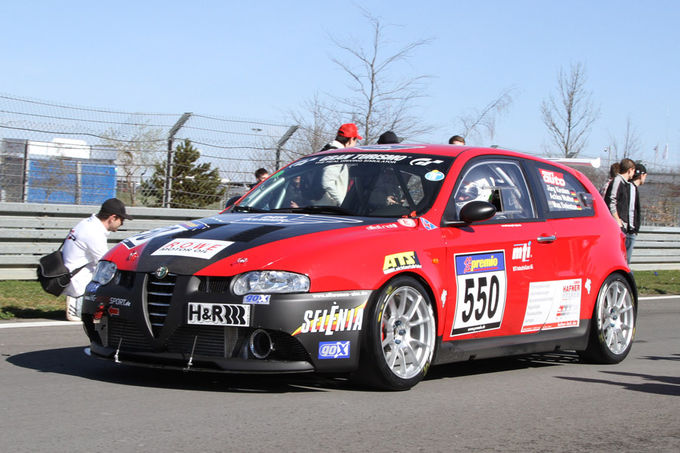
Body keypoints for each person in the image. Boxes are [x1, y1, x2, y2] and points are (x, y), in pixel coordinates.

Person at [62, 198, 132, 321]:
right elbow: (107, 263)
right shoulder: (94, 232)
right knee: (113, 274)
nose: (122, 224)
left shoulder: (87, 223)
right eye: (122, 220)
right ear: (113, 218)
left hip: (69, 272)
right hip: (76, 280)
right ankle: (76, 303)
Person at [318, 123, 362, 205]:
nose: (355, 144)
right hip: (329, 208)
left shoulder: (326, 151)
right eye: (356, 140)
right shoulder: (336, 156)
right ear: (351, 139)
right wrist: (343, 203)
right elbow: (327, 182)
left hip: (321, 205)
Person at [604, 158, 636, 264]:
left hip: (624, 226)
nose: (634, 174)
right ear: (630, 170)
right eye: (634, 171)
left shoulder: (626, 184)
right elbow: (611, 200)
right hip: (618, 226)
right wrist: (617, 219)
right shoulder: (618, 181)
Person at [625, 162, 647, 265]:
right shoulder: (631, 188)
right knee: (626, 261)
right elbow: (630, 210)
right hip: (629, 231)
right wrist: (632, 229)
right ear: (642, 175)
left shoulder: (632, 188)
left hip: (629, 230)